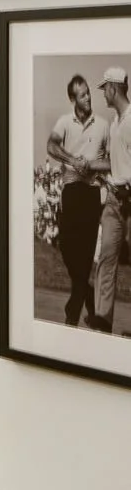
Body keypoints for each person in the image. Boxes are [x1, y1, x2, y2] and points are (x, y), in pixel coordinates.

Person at [48, 72, 110, 325]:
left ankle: (72, 312)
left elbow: (111, 161)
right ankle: (85, 291)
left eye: (88, 93)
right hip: (70, 191)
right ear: (72, 98)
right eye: (82, 94)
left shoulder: (104, 125)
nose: (88, 98)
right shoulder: (64, 122)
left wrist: (91, 165)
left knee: (84, 255)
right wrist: (74, 161)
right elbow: (51, 147)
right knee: (66, 247)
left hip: (91, 193)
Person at [94, 69, 131, 333]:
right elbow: (114, 162)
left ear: (113, 88)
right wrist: (87, 164)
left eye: (104, 87)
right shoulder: (116, 121)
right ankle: (102, 320)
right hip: (114, 201)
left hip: (129, 198)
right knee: (106, 259)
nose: (103, 93)